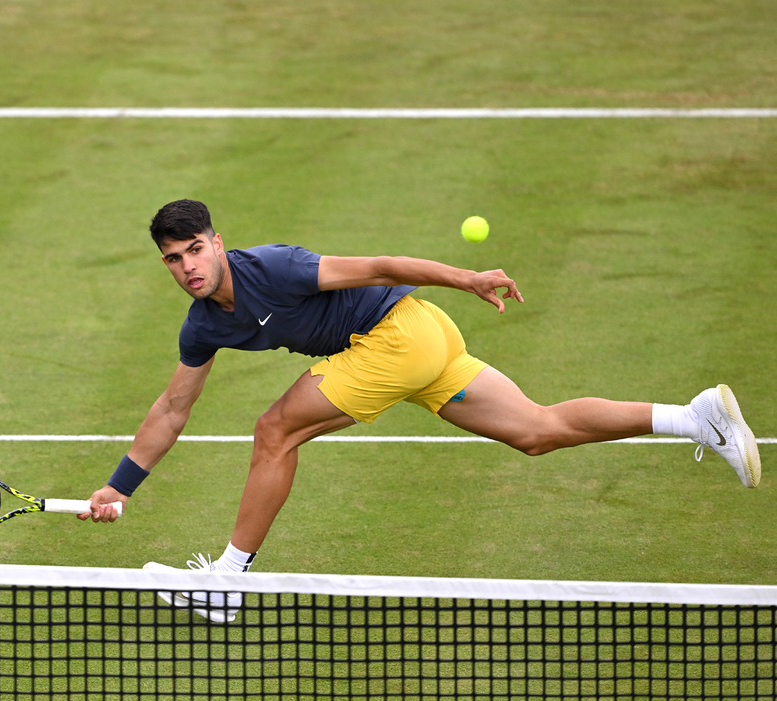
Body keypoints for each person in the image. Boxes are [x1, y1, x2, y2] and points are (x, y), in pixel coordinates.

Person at [81, 198, 761, 623]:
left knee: (274, 429)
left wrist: (465, 276)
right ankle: (694, 416)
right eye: (174, 259)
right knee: (536, 429)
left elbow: (378, 264)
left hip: (399, 334)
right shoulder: (203, 325)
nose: (188, 266)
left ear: (217, 241)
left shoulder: (278, 268)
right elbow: (172, 408)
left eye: (195, 249)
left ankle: (228, 580)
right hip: (422, 342)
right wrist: (119, 484)